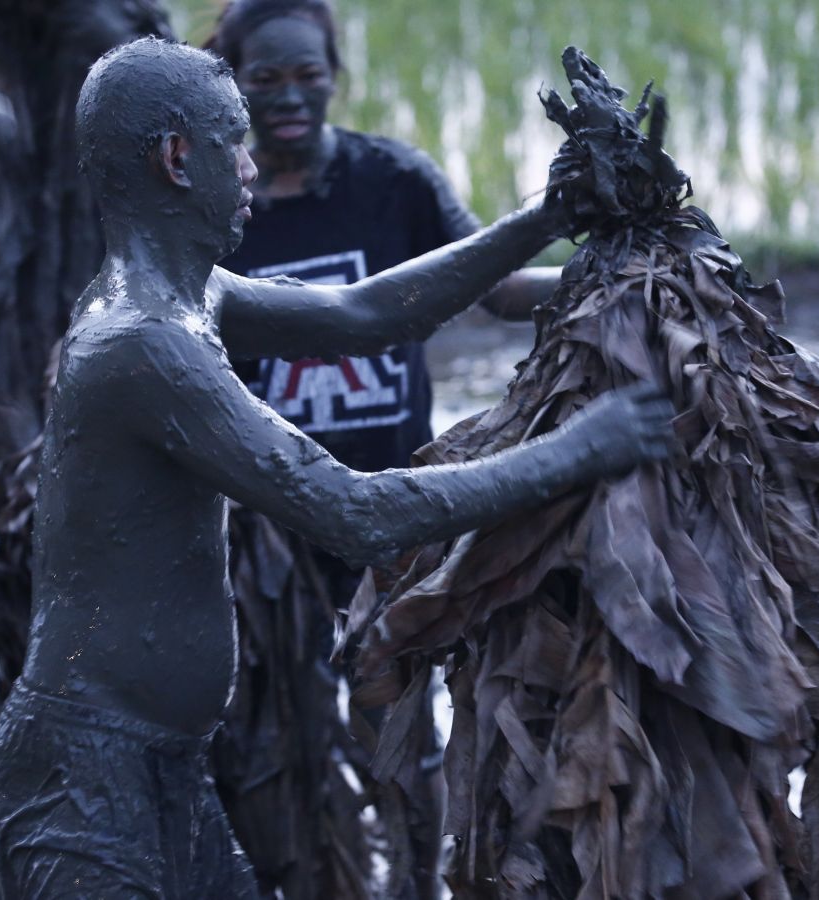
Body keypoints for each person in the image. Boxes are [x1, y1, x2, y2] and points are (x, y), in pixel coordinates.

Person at [0, 37, 673, 899]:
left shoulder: (192, 297)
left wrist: (541, 219)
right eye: (234, 139)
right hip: (82, 781)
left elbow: (366, 310)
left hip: (162, 766)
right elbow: (353, 511)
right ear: (176, 158)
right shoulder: (141, 345)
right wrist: (578, 450)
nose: (251, 162)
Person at [206, 3, 559, 894]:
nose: (290, 98)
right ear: (232, 82)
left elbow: (501, 286)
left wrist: (619, 258)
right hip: (265, 537)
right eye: (265, 80)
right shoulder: (219, 204)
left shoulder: (390, 182)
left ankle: (413, 880)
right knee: (275, 741)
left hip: (391, 514)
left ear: (334, 73)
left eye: (307, 76)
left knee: (401, 732)